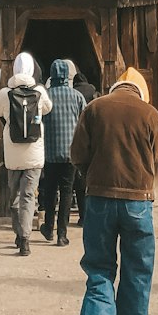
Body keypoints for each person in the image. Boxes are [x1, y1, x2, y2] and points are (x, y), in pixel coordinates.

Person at [69, 67, 158, 315]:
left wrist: (92, 179)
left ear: (114, 88)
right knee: (137, 278)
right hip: (139, 202)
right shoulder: (151, 114)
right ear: (140, 92)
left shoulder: (94, 109)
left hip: (98, 200)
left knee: (99, 269)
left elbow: (77, 154)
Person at [0, 50, 52, 257]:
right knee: (28, 196)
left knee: (15, 194)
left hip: (13, 153)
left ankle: (19, 234)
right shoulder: (40, 91)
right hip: (34, 152)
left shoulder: (4, 93)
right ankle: (26, 239)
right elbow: (47, 109)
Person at [40, 59, 87, 246]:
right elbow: (85, 123)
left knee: (50, 191)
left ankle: (48, 228)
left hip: (49, 153)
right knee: (67, 192)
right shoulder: (77, 97)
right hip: (70, 154)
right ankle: (62, 233)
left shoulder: (46, 96)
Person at [70, 65, 97, 224]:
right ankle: (85, 214)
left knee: (70, 182)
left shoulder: (74, 93)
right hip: (89, 136)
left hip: (72, 136)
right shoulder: (92, 89)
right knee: (84, 179)